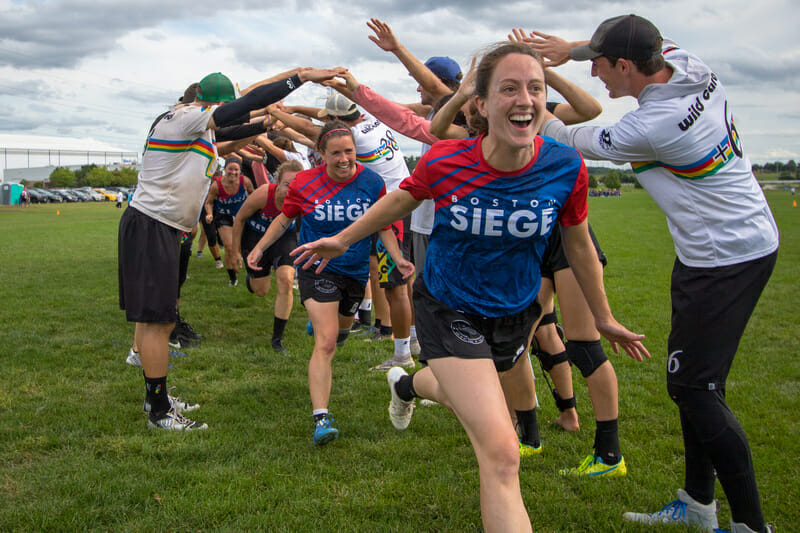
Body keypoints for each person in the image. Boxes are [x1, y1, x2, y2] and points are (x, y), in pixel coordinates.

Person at [292, 42, 648, 532]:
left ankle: (406, 383)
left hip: (514, 311)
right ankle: (424, 387)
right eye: (508, 88)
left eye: (534, 88)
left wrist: (603, 315)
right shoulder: (447, 159)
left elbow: (580, 246)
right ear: (480, 103)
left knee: (465, 386)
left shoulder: (565, 167)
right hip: (447, 306)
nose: (524, 99)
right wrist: (342, 238)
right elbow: (402, 199)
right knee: (502, 454)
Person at [529, 15, 778, 533]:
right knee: (700, 384)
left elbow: (570, 136)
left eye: (599, 63)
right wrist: (565, 54)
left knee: (694, 389)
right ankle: (697, 505)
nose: (593, 72)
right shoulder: (688, 63)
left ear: (624, 65)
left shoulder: (651, 126)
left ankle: (751, 526)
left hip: (725, 258)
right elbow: (633, 46)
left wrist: (530, 105)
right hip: (720, 250)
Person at [118, 66, 344, 431]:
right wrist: (301, 77)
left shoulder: (184, 119)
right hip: (152, 225)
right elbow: (245, 106)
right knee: (159, 321)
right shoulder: (190, 116)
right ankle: (159, 411)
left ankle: (155, 398)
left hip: (154, 224)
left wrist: (263, 128)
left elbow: (231, 129)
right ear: (210, 103)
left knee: (156, 319)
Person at [247, 121, 413, 446]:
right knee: (325, 343)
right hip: (315, 268)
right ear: (321, 155)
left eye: (349, 151)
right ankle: (321, 418)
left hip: (354, 273)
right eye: (335, 153)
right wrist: (260, 247)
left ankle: (336, 324)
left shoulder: (372, 182)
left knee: (342, 329)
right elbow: (284, 219)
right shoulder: (305, 183)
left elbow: (382, 226)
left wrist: (397, 257)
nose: (343, 159)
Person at [231, 160, 303, 352]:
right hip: (255, 236)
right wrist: (235, 251)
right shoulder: (264, 193)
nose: (291, 190)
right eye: (287, 185)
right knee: (261, 290)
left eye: (296, 185)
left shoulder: (302, 199)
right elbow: (239, 218)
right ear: (278, 183)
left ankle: (277, 339)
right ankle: (252, 279)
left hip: (283, 238)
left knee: (286, 281)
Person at [204, 157, 255, 286]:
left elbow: (254, 196)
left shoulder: (245, 181)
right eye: (230, 169)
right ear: (224, 169)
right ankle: (233, 279)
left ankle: (251, 273)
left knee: (245, 247)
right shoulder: (217, 185)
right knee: (229, 246)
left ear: (240, 171)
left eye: (236, 169)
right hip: (224, 217)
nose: (233, 172)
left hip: (242, 216)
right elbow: (208, 202)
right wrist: (209, 214)